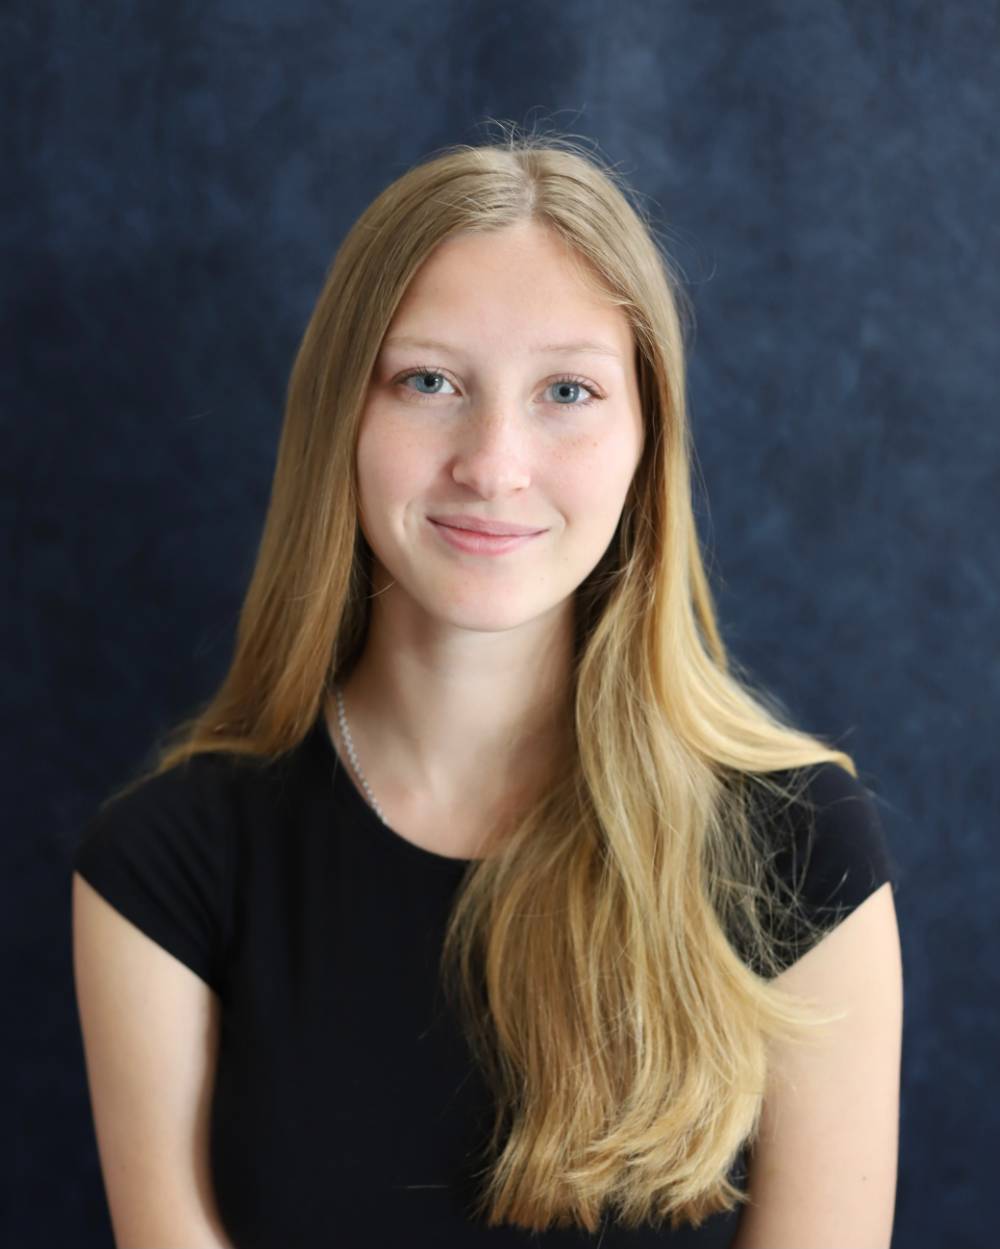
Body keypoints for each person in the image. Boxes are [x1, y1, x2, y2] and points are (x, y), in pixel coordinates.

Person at [71, 125, 903, 1249]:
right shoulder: (164, 870)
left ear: (645, 439)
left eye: (567, 389)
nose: (493, 461)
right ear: (341, 422)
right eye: (428, 381)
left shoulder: (799, 848)